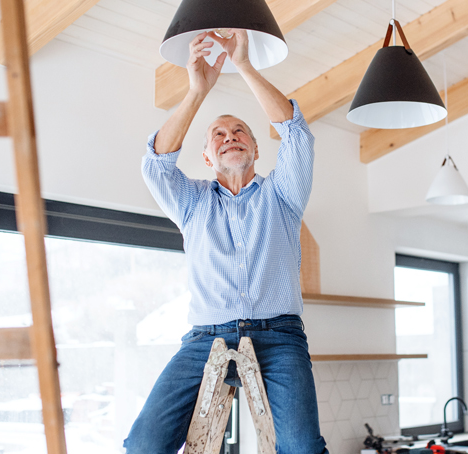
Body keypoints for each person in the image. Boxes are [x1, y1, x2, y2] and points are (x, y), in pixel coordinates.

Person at [123, 28, 327, 454]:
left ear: (255, 147)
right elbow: (156, 164)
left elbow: (296, 134)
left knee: (303, 449)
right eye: (218, 134)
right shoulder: (192, 202)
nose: (229, 135)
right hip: (205, 338)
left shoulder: (283, 194)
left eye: (239, 131)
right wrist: (198, 90)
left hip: (280, 338)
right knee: (143, 444)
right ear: (206, 157)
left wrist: (244, 65)